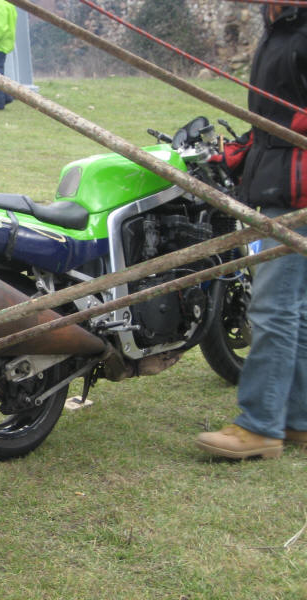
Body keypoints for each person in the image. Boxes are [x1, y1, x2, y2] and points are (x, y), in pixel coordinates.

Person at [195, 5, 307, 459]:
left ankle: (259, 426)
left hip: (299, 193)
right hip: (282, 181)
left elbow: (289, 121)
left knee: (274, 308)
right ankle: (298, 419)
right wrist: (238, 154)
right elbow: (272, 119)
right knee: (295, 309)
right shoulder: (281, 29)